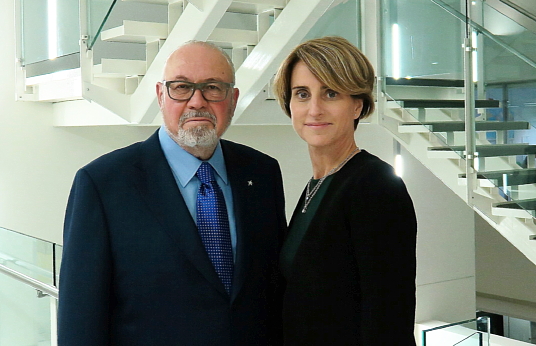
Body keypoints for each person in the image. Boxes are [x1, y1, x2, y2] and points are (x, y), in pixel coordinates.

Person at [58, 41, 286, 346]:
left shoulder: (262, 173)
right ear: (160, 96)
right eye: (181, 87)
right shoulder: (102, 184)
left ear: (232, 100)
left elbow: (274, 292)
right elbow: (80, 322)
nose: (197, 101)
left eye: (213, 88)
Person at [273, 36, 417, 345]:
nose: (314, 109)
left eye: (330, 93)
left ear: (357, 105)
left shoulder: (376, 186)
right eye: (302, 94)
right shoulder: (318, 184)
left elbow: (389, 320)